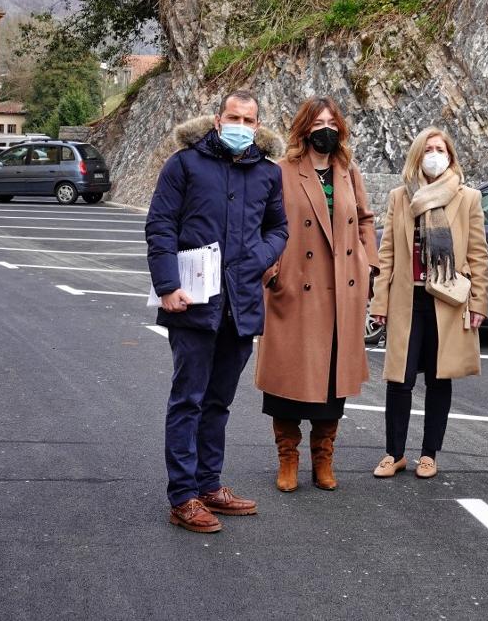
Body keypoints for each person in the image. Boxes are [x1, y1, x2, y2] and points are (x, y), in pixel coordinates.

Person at [146, 91, 289, 534]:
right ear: (216, 118)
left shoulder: (267, 173)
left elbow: (278, 227)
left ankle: (209, 484)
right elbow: (160, 225)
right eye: (233, 117)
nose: (240, 125)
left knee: (219, 401)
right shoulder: (184, 164)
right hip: (193, 302)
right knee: (188, 399)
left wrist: (257, 256)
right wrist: (168, 286)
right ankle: (183, 497)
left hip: (241, 303)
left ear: (258, 124)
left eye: (249, 119)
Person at [256, 97, 378, 492]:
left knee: (331, 384)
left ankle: (323, 459)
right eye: (317, 121)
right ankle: (287, 458)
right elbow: (263, 223)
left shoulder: (347, 171)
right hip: (295, 288)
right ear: (304, 128)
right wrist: (272, 272)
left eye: (331, 122)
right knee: (288, 383)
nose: (325, 128)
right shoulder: (282, 171)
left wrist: (367, 264)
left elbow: (364, 219)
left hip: (341, 291)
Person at [369, 127, 488, 479]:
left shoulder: (467, 198)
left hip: (449, 300)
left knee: (441, 377)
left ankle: (428, 454)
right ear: (417, 156)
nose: (434, 154)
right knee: (399, 379)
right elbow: (387, 253)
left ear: (451, 156)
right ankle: (394, 453)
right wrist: (379, 301)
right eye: (428, 149)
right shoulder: (399, 197)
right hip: (408, 298)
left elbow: (478, 255)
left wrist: (479, 301)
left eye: (440, 149)